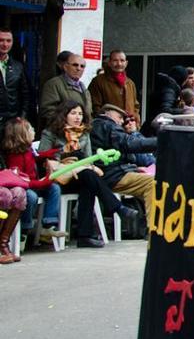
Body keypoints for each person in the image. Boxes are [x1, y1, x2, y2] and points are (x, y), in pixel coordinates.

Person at [38, 100, 139, 247]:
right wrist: (63, 159)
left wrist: (85, 165)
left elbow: (88, 158)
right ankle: (116, 209)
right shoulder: (50, 133)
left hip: (79, 175)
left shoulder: (84, 134)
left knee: (89, 180)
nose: (78, 117)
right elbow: (42, 157)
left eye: (80, 114)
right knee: (89, 177)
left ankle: (85, 236)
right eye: (73, 113)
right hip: (58, 178)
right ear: (63, 115)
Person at [2, 117, 66, 243]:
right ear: (22, 135)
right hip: (25, 187)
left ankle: (49, 224)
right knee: (30, 197)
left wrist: (55, 152)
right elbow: (20, 180)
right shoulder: (15, 156)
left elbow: (36, 157)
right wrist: (43, 182)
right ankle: (25, 229)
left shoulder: (28, 150)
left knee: (54, 188)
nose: (34, 131)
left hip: (33, 184)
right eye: (30, 129)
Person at [89, 104, 157, 216]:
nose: (121, 122)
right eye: (120, 117)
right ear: (107, 113)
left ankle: (147, 225)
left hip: (109, 174)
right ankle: (154, 230)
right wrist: (160, 141)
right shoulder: (108, 125)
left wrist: (135, 168)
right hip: (113, 176)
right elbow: (129, 144)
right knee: (153, 184)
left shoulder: (97, 126)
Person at [39, 52, 93, 126]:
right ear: (65, 67)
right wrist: (66, 127)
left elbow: (88, 113)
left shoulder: (84, 88)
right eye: (75, 65)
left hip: (81, 133)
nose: (78, 68)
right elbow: (48, 111)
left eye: (82, 66)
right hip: (60, 133)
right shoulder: (53, 84)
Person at [88, 49, 139, 119]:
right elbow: (95, 107)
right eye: (115, 60)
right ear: (109, 62)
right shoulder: (98, 81)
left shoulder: (130, 83)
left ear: (126, 63)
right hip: (108, 126)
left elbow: (135, 106)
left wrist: (136, 121)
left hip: (129, 126)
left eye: (122, 60)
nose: (119, 64)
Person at [0, 28, 30, 135]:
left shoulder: (18, 66)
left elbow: (25, 95)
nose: (5, 44)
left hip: (11, 122)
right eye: (1, 40)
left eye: (8, 41)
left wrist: (22, 117)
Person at [145, 65, 189, 134]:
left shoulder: (166, 86)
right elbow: (165, 109)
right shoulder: (169, 90)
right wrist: (183, 111)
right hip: (156, 128)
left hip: (153, 126)